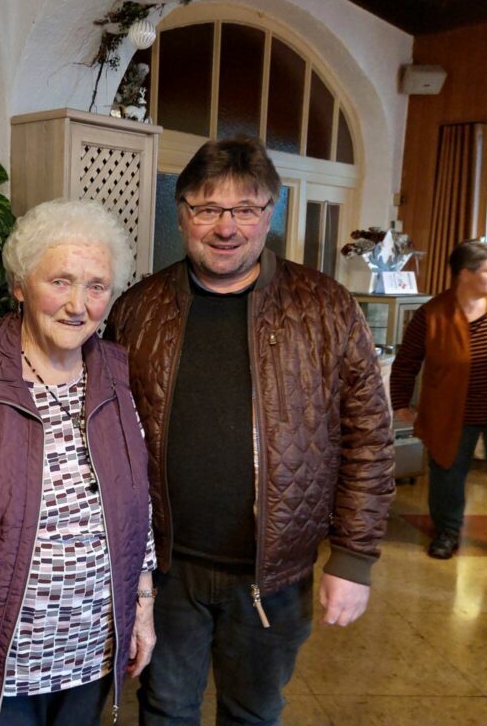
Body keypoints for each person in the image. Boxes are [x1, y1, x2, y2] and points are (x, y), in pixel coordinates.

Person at [105, 137, 395, 726]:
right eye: (208, 208)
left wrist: (353, 558)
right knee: (164, 709)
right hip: (165, 569)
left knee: (254, 712)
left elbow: (369, 437)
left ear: (271, 214)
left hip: (275, 573)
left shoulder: (325, 307)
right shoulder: (139, 307)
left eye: (246, 208)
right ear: (182, 213)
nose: (226, 226)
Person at [0, 199, 156, 726]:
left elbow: (134, 508)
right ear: (21, 285)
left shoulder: (116, 375)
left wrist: (142, 608)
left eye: (97, 286)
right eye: (61, 281)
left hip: (90, 653)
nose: (78, 304)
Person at [391, 240, 487, 564]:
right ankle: (446, 532)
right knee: (448, 472)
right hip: (451, 412)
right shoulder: (432, 313)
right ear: (465, 274)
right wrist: (400, 401)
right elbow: (407, 361)